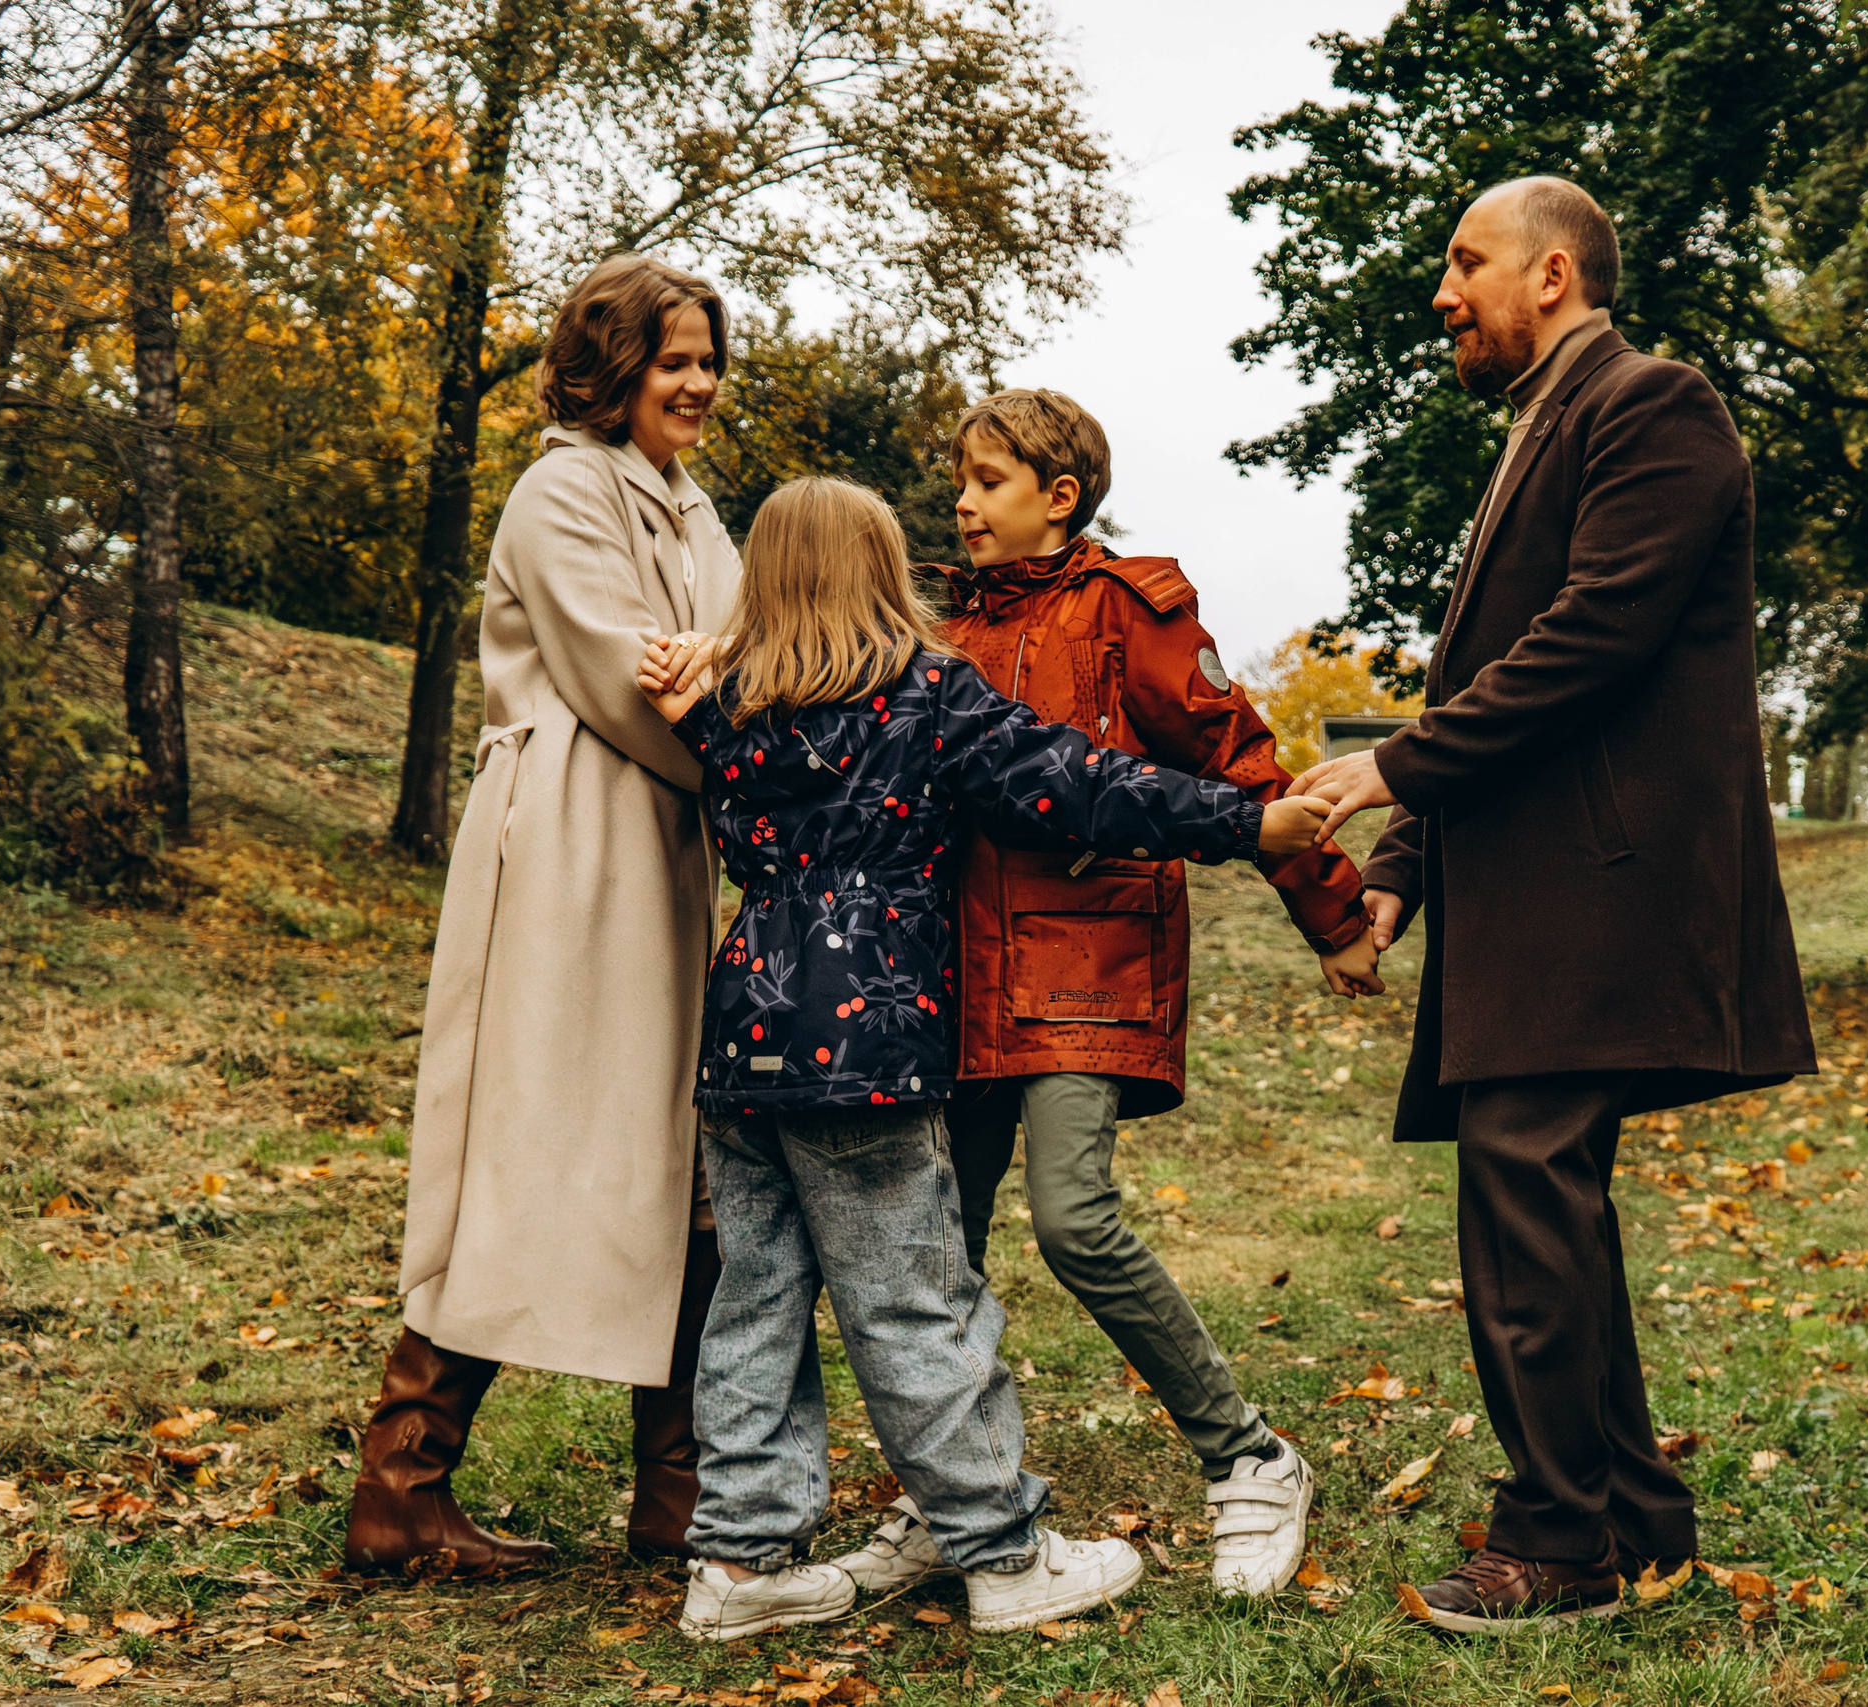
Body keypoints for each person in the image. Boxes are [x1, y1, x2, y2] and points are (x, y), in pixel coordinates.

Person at [632, 477, 1336, 1638]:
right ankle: (1002, 1555)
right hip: (866, 1041)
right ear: (878, 571)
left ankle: (737, 1567)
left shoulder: (730, 710)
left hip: (743, 1037)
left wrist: (695, 703)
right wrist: (1243, 821)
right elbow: (1081, 787)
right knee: (913, 1304)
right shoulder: (926, 695)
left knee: (754, 1303)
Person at [1294, 177, 1817, 1633]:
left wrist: (1389, 769)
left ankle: (1560, 1542)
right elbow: (1486, 675)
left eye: (1466, 262)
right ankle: (1635, 1521)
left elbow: (1595, 637)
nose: (1442, 292)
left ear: (1553, 272)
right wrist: (1397, 874)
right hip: (1532, 891)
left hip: (1605, 888)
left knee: (1525, 1184)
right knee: (1546, 1200)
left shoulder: (1655, 404)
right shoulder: (1541, 425)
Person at [865, 388, 1375, 1602]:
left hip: (1086, 965)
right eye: (958, 480)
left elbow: (1238, 760)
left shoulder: (1129, 613)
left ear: (1059, 496)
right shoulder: (932, 623)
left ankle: (1248, 1457)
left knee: (1073, 1220)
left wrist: (1333, 913)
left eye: (987, 482)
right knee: (940, 1246)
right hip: (950, 976)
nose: (961, 502)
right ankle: (958, 1496)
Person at [346, 254, 740, 1576]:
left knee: (684, 1151)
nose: (698, 383)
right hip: (573, 847)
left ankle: (681, 1497)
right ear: (613, 368)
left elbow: (749, 650)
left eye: (708, 361)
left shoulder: (692, 506)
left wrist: (737, 685)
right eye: (673, 361)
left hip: (665, 850)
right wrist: (753, 741)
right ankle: (402, 1488)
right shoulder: (561, 490)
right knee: (535, 1137)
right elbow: (631, 682)